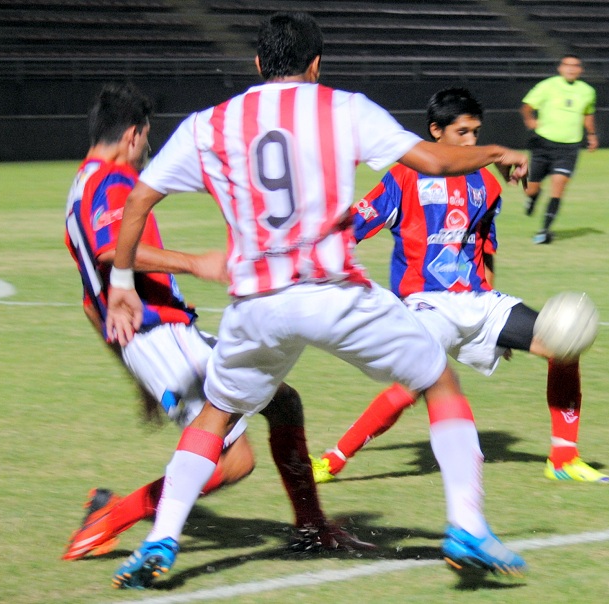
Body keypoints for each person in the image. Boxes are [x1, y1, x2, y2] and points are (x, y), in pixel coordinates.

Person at [105, 12, 531, 589]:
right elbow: (434, 161)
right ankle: (467, 526)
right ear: (316, 64)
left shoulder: (209, 124)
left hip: (256, 303)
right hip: (333, 291)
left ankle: (162, 537)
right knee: (438, 379)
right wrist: (496, 150)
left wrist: (122, 286)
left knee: (216, 414)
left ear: (258, 63)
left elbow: (139, 201)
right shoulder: (343, 107)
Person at [63, 82, 368, 564]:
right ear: (133, 134)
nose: (147, 150)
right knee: (231, 461)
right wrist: (195, 262)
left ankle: (312, 528)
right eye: (147, 139)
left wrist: (135, 375)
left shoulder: (80, 187)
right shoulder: (113, 180)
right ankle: (110, 516)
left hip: (156, 340)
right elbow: (110, 249)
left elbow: (89, 303)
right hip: (159, 334)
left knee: (283, 403)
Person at [310, 87, 609, 486]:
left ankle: (563, 458)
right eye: (462, 132)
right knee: (412, 385)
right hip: (425, 304)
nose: (471, 141)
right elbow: (350, 230)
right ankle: (332, 461)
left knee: (563, 346)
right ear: (436, 131)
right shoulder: (403, 176)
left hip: (478, 300)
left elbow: (485, 250)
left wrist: (496, 325)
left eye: (475, 132)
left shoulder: (487, 183)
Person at [520, 54, 598, 244]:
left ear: (580, 70)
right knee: (531, 188)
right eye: (567, 65)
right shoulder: (547, 86)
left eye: (575, 65)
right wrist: (530, 120)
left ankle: (545, 231)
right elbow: (527, 106)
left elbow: (588, 113)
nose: (571, 69)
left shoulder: (587, 91)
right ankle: (532, 198)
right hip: (543, 144)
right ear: (560, 68)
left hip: (569, 148)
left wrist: (591, 134)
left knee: (558, 187)